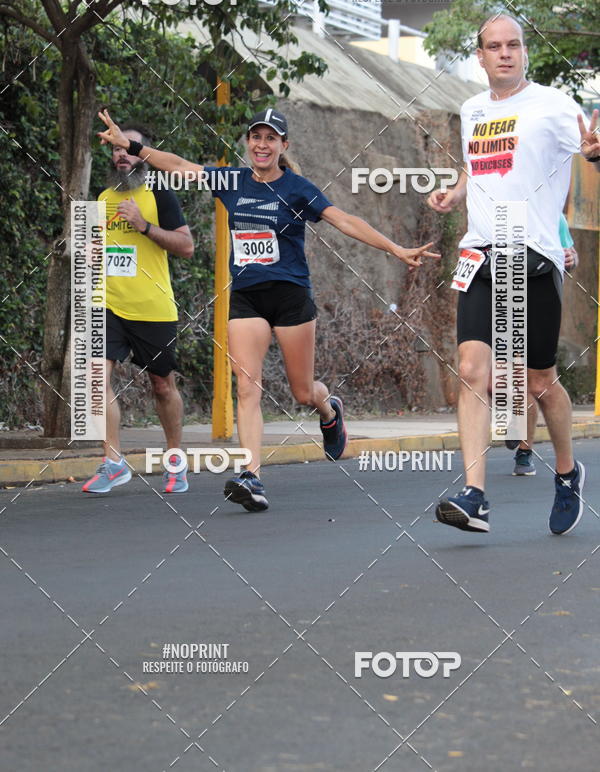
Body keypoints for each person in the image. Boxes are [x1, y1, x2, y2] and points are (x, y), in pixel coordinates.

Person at [96, 106, 440, 512]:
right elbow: (180, 165)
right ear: (248, 143)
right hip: (246, 297)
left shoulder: (297, 188)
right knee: (247, 384)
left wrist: (395, 247)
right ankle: (252, 476)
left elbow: (344, 220)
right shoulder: (231, 180)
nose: (262, 144)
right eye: (256, 137)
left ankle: (329, 409)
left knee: (302, 391)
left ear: (283, 146)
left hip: (290, 295)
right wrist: (132, 145)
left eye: (270, 138)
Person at [427, 13, 599, 535]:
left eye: (514, 45)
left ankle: (568, 473)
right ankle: (475, 495)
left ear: (524, 51)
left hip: (535, 254)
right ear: (479, 57)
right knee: (472, 370)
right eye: (494, 47)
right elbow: (476, 166)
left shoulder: (553, 106)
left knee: (537, 381)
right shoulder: (472, 109)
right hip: (480, 252)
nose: (504, 54)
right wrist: (455, 192)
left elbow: (589, 149)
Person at [82, 123, 194, 496]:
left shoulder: (159, 192)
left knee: (162, 386)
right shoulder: (101, 197)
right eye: (115, 150)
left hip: (152, 307)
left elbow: (186, 246)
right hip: (109, 304)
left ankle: (175, 461)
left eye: (128, 149)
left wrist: (144, 226)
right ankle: (112, 462)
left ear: (142, 155)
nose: (121, 155)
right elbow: (99, 250)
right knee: (96, 378)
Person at [508, 214, 578, 476]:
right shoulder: (494, 203)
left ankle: (524, 450)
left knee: (531, 380)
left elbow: (569, 253)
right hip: (502, 300)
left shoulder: (552, 213)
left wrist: (571, 259)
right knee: (504, 372)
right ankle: (511, 419)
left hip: (541, 302)